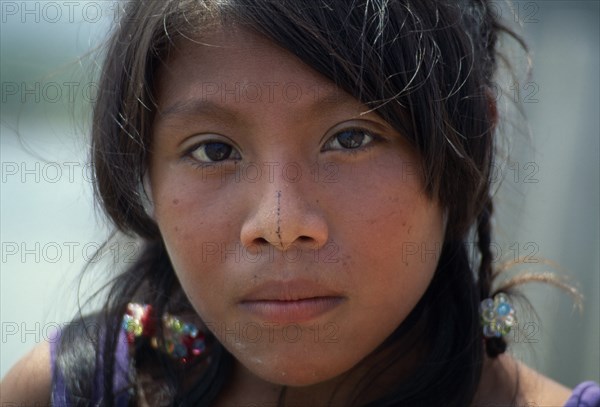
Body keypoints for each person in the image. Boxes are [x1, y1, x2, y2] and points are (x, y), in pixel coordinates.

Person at [1, 0, 598, 406]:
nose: (280, 226)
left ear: (473, 147)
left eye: (351, 138)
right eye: (213, 150)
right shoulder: (66, 391)